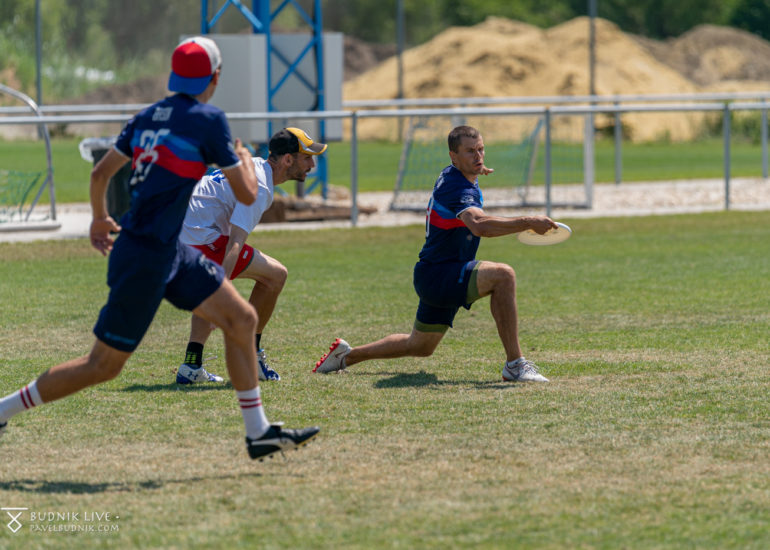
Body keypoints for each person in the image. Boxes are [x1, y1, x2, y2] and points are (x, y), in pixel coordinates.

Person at [0, 36, 319, 460]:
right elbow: (246, 192)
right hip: (147, 255)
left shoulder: (146, 116)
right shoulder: (208, 119)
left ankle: (258, 432)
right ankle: (3, 409)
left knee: (241, 318)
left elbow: (99, 174)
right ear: (215, 78)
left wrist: (99, 218)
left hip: (169, 250)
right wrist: (244, 160)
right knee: (103, 366)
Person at [313, 125, 557, 382]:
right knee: (503, 276)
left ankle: (346, 356)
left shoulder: (455, 174)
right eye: (470, 151)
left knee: (419, 346)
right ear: (453, 156)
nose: (478, 156)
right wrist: (528, 222)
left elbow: (467, 185)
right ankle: (515, 365)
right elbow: (479, 225)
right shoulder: (457, 187)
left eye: (481, 149)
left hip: (435, 272)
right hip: (441, 274)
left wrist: (474, 167)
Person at [176, 127, 327, 385]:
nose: (312, 165)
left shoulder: (256, 167)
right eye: (306, 158)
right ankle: (251, 357)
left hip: (181, 233)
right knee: (276, 276)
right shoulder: (259, 186)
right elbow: (235, 242)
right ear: (287, 159)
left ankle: (191, 365)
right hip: (198, 236)